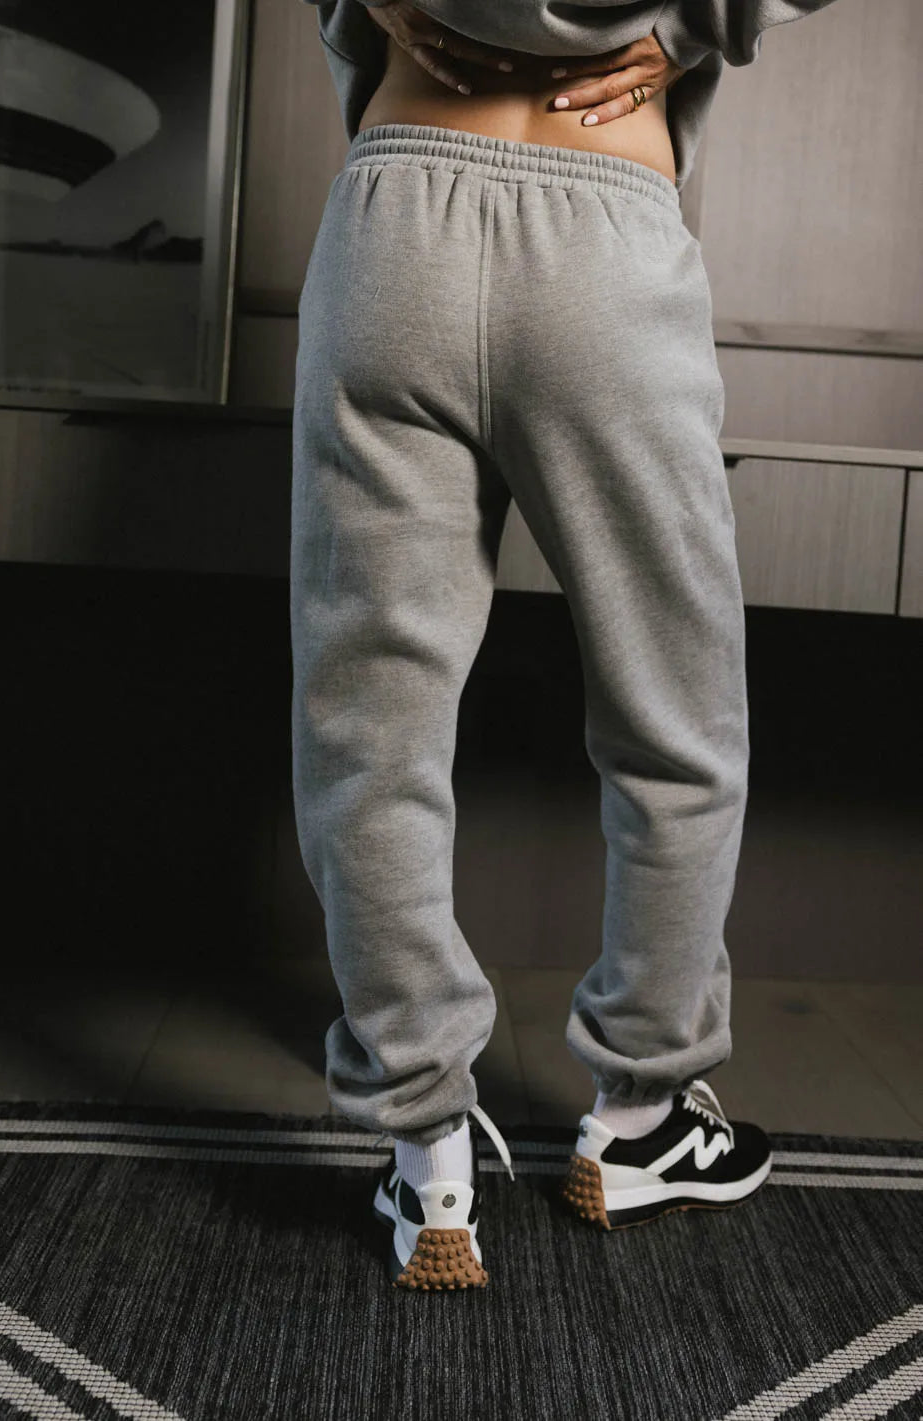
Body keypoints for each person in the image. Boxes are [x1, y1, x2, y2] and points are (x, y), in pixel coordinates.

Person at [292, 0, 840, 1290]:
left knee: (370, 735)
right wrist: (695, 24)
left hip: (393, 225)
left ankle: (426, 1150)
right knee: (675, 719)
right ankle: (641, 1118)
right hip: (604, 232)